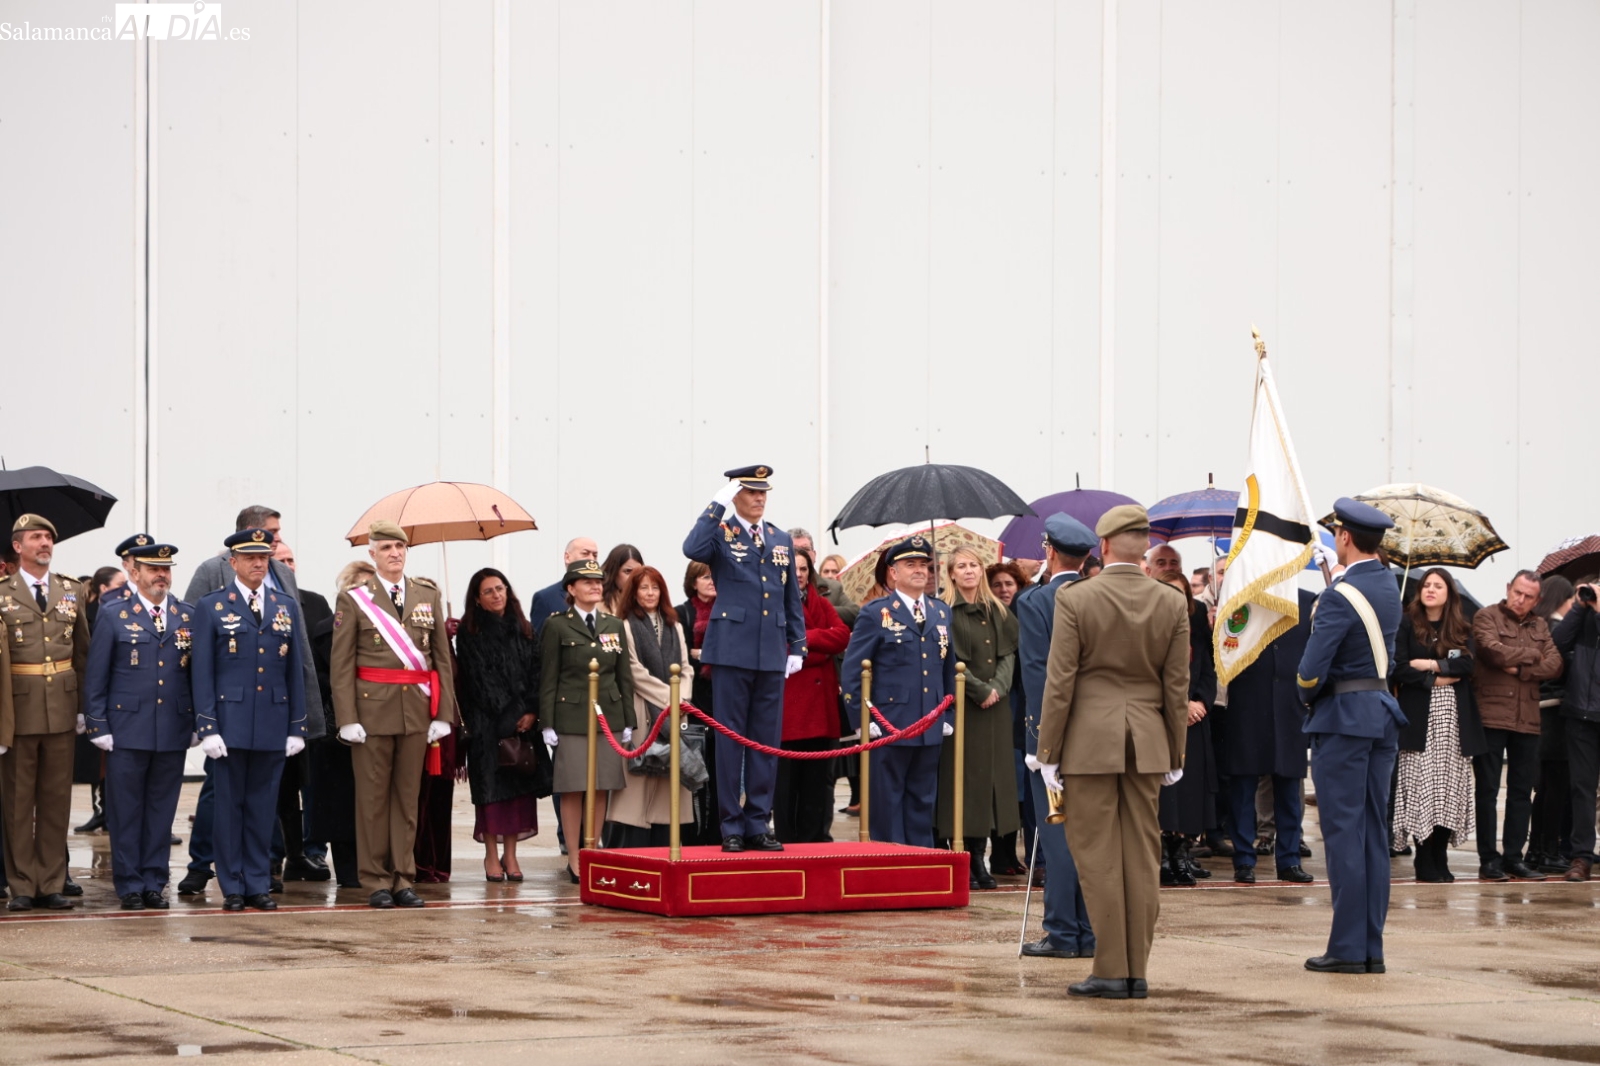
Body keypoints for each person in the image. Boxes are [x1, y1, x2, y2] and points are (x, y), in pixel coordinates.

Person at [1036, 505, 1188, 999]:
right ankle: (1136, 971)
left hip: (1089, 742)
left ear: (1102, 546)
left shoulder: (1078, 597)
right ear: (1145, 545)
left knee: (1097, 856)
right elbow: (1176, 685)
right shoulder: (1170, 600)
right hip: (1147, 741)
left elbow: (1060, 680)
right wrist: (1176, 752)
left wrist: (1048, 751)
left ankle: (1110, 970)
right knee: (1141, 856)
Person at [179, 505, 324, 897]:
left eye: (263, 556)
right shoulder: (213, 605)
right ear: (234, 562)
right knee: (229, 809)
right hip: (230, 721)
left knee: (263, 809)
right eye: (250, 558)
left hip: (273, 722)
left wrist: (297, 725)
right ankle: (232, 886)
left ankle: (258, 883)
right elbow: (201, 669)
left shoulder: (284, 604)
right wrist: (206, 726)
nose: (259, 563)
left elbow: (295, 666)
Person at [1296, 498, 1406, 974]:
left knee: (1344, 836)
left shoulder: (1340, 595)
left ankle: (1346, 948)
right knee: (1372, 834)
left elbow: (1309, 672)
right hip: (1380, 713)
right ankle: (1369, 948)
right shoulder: (1387, 585)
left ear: (1344, 537)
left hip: (1342, 718)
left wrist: (1306, 695)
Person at [330, 521, 456, 909]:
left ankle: (403, 877)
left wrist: (444, 713)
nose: (395, 553)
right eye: (386, 548)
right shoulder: (355, 599)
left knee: (407, 799)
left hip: (416, 712)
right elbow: (341, 663)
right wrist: (347, 718)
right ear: (372, 554)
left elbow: (441, 659)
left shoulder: (427, 595)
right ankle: (375, 880)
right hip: (371, 712)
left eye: (400, 547)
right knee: (372, 801)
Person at [682, 465, 806, 852]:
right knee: (731, 742)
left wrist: (797, 645)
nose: (759, 498)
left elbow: (790, 596)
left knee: (765, 742)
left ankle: (757, 822)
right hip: (732, 649)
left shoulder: (780, 538)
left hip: (770, 651)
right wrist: (715, 506)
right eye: (751, 492)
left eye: (763, 492)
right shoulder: (721, 532)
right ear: (735, 495)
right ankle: (731, 825)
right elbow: (692, 549)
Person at [82, 540, 196, 909]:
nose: (161, 575)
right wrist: (98, 724)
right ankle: (130, 883)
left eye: (166, 569)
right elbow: (96, 675)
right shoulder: (114, 614)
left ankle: (154, 882)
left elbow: (195, 674)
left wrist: (197, 721)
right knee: (126, 811)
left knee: (162, 811)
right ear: (135, 573)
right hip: (127, 728)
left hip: (173, 727)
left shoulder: (186, 615)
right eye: (153, 569)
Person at [1015, 514, 1098, 959]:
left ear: (1049, 551)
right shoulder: (1099, 596)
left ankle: (1063, 933)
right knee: (1092, 837)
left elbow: (1037, 674)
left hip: (1055, 736)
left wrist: (1039, 741)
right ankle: (1089, 931)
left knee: (1058, 834)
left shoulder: (1036, 601)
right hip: (1097, 734)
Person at [840, 536, 956, 847]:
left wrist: (948, 714)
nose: (919, 570)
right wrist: (862, 719)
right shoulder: (876, 613)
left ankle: (920, 862)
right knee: (886, 801)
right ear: (893, 572)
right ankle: (891, 863)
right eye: (910, 564)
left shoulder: (941, 612)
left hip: (929, 722)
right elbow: (853, 670)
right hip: (889, 722)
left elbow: (948, 667)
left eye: (924, 565)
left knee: (922, 800)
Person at [1, 515, 91, 912]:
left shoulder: (71, 590)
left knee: (56, 801)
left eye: (49, 538)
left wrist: (85, 708)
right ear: (17, 546)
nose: (45, 543)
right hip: (18, 711)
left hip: (61, 709)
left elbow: (83, 653)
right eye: (36, 537)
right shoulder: (3, 593)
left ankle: (52, 882)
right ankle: (22, 884)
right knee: (18, 803)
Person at [540, 558, 635, 882]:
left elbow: (623, 677)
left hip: (608, 715)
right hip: (571, 716)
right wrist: (547, 722)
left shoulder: (614, 624)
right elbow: (548, 676)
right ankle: (574, 855)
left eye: (598, 582)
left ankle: (593, 850)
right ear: (571, 588)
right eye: (587, 582)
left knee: (601, 786)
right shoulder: (557, 625)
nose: (595, 586)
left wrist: (628, 720)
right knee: (573, 787)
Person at [1469, 569, 1564, 882]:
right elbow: (1492, 653)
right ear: (1508, 588)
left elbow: (1555, 665)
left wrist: (1521, 668)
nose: (1521, 600)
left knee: (1521, 792)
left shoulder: (1540, 625)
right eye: (1517, 592)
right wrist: (1533, 656)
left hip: (1528, 719)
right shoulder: (1486, 616)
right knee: (1487, 790)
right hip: (1492, 715)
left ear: (1538, 600)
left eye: (1528, 596)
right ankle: (1488, 860)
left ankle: (1513, 858)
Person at [1217, 586, 1316, 884]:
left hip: (1290, 706)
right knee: (1243, 786)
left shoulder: (1307, 600)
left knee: (1289, 788)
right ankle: (1244, 860)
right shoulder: (1240, 596)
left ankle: (1289, 859)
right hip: (1248, 704)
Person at [1391, 568, 1484, 883]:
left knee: (1447, 790)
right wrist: (1435, 680)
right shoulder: (1406, 623)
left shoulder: (1460, 626)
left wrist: (1430, 664)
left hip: (1453, 722)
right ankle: (1424, 858)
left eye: (1438, 586)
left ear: (1449, 593)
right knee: (1421, 789)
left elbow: (1467, 664)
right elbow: (1400, 668)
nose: (1431, 590)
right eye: (1426, 585)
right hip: (1418, 720)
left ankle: (1440, 855)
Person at [937, 546, 1019, 889]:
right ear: (951, 574)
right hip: (964, 708)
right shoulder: (943, 611)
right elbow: (949, 659)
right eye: (961, 566)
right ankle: (963, 857)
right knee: (963, 780)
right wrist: (979, 690)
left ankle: (980, 856)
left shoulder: (997, 609)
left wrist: (997, 687)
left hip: (995, 708)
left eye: (974, 565)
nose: (969, 570)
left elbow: (1008, 655)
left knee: (991, 781)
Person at [455, 568, 541, 881]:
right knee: (490, 795)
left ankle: (511, 855)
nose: (496, 595)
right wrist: (508, 716)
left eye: (500, 588)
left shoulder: (524, 627)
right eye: (488, 591)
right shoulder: (469, 631)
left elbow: (537, 671)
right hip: (487, 727)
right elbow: (478, 680)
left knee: (518, 793)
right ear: (477, 599)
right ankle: (491, 854)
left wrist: (531, 711)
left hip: (522, 726)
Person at [607, 566, 695, 848]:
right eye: (643, 587)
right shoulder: (624, 625)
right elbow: (633, 671)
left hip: (675, 712)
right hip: (642, 709)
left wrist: (682, 698)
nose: (650, 593)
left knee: (668, 786)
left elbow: (686, 668)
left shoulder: (675, 625)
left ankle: (664, 844)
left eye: (655, 587)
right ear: (633, 592)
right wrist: (670, 697)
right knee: (639, 783)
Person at [773, 547, 850, 843]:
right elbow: (780, 646)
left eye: (804, 569)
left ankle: (816, 838)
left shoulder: (822, 602)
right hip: (791, 710)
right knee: (787, 785)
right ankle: (789, 841)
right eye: (793, 569)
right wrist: (819, 646)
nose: (799, 574)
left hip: (821, 708)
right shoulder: (774, 604)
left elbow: (841, 636)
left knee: (819, 783)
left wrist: (805, 639)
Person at [307, 561, 373, 888]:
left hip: (376, 724)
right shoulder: (325, 630)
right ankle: (348, 871)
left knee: (372, 801)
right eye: (362, 586)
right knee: (340, 804)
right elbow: (318, 677)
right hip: (336, 730)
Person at [1152, 569, 1218, 887]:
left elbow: (1208, 668)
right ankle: (1163, 856)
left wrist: (1201, 701)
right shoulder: (1149, 626)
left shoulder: (1196, 624)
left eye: (1180, 593)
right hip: (1162, 719)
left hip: (1194, 721)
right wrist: (1181, 706)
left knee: (1190, 789)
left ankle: (1182, 853)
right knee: (1167, 791)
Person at [73, 564, 128, 835]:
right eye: (120, 585)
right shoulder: (92, 614)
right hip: (99, 698)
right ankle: (102, 811)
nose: (126, 590)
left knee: (108, 762)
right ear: (104, 588)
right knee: (99, 762)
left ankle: (108, 811)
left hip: (115, 699)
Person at [1553, 576, 1600, 881]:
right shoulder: (1584, 616)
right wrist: (1580, 607)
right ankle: (1581, 857)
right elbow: (1557, 644)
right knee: (1582, 788)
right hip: (1581, 714)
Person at [987, 559, 1032, 876]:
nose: (1004, 590)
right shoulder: (988, 617)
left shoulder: (1025, 614)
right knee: (1001, 782)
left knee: (1018, 783)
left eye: (1009, 584)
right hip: (998, 700)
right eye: (997, 585)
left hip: (1019, 702)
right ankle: (1000, 854)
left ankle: (1011, 854)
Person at [1528, 576, 1575, 873]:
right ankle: (1548, 849)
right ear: (1564, 600)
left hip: (1541, 713)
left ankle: (1536, 849)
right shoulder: (1559, 630)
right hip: (1556, 714)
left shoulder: (1539, 627)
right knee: (1555, 787)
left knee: (1545, 787)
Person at [675, 561, 721, 845]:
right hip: (693, 704)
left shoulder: (727, 610)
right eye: (705, 577)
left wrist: (702, 653)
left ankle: (717, 832)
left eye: (714, 576)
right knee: (692, 773)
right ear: (693, 582)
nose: (711, 581)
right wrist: (703, 655)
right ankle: (691, 835)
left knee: (719, 773)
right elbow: (680, 658)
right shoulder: (682, 613)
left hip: (722, 701)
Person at [528, 537, 599, 637]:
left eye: (595, 555)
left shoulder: (600, 595)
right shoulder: (546, 598)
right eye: (585, 553)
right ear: (567, 557)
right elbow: (539, 641)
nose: (591, 559)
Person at [600, 544, 644, 617]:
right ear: (614, 572)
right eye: (628, 571)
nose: (633, 577)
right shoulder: (596, 600)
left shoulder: (647, 600)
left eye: (638, 572)